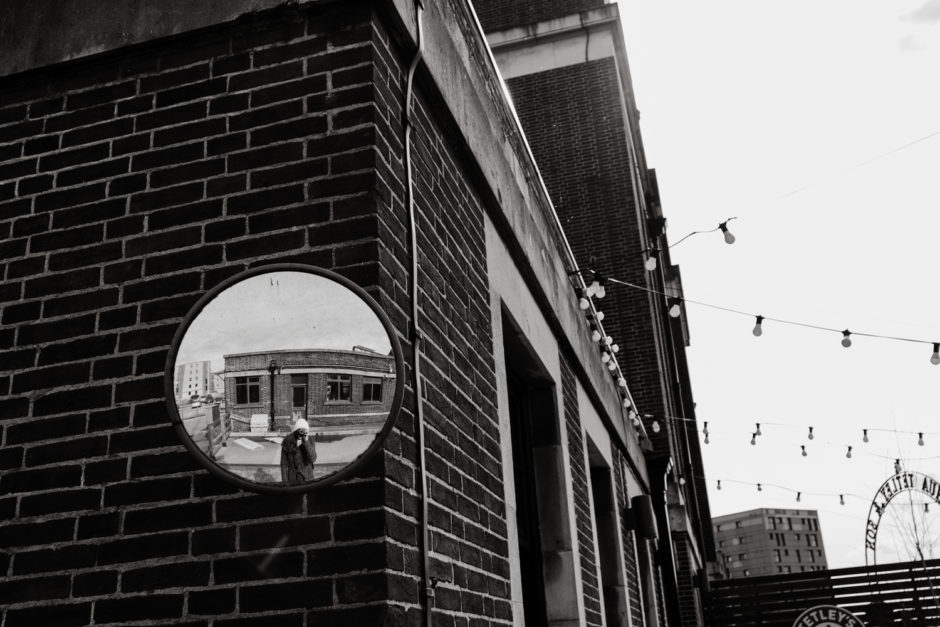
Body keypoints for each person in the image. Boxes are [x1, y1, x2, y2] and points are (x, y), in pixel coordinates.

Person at [280, 418, 317, 484]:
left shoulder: (310, 440)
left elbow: (313, 458)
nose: (301, 433)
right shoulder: (288, 442)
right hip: (293, 478)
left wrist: (306, 442)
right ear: (296, 430)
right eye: (299, 430)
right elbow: (284, 464)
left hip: (308, 477)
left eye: (304, 430)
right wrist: (285, 482)